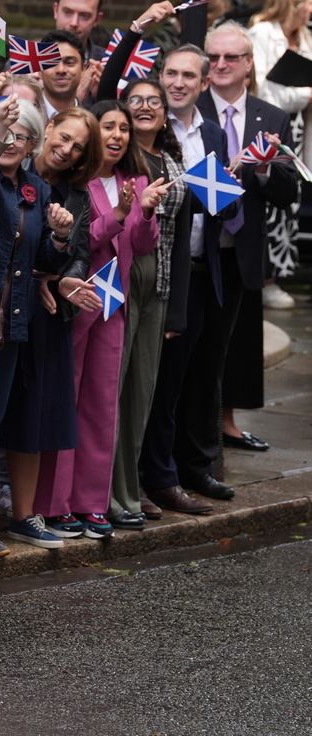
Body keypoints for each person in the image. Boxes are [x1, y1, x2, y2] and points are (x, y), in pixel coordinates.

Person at [40, 101, 164, 540]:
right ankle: (54, 503)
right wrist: (114, 217)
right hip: (77, 298)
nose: (117, 135)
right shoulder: (78, 182)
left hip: (114, 301)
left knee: (101, 403)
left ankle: (91, 501)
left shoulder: (136, 181)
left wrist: (144, 210)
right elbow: (80, 241)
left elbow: (144, 244)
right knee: (65, 400)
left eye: (124, 129)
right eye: (108, 127)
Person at [0, 108, 104, 543]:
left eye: (78, 147)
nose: (66, 149)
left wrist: (57, 278)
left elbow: (75, 250)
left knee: (34, 413)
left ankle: (25, 513)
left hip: (45, 315)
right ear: (48, 130)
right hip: (0, 307)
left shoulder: (74, 195)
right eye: (64, 137)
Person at [197, 23, 298, 477]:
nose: (219, 65)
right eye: (213, 58)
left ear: (247, 63)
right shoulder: (191, 108)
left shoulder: (271, 117)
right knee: (198, 340)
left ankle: (227, 422)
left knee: (236, 340)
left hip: (244, 243)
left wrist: (257, 172)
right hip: (198, 245)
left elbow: (286, 192)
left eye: (229, 58)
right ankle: (196, 430)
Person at [139, 43, 234, 517]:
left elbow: (222, 206)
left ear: (203, 83)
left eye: (188, 76)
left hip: (201, 269)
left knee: (188, 381)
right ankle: (154, 477)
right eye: (171, 74)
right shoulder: (147, 126)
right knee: (151, 384)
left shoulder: (212, 132)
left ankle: (184, 469)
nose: (178, 83)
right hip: (154, 275)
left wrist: (227, 187)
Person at [108, 78, 190, 528]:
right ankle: (106, 492)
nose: (143, 107)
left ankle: (129, 489)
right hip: (123, 279)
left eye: (152, 101)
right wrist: (139, 28)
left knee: (142, 394)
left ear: (164, 113)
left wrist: (176, 306)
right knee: (112, 391)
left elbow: (179, 243)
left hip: (159, 286)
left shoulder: (174, 162)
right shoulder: (121, 158)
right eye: (134, 100)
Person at [249, 0, 312, 310]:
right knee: (268, 201)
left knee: (290, 199)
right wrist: (305, 93)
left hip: (299, 127)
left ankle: (277, 275)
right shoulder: (261, 33)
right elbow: (261, 89)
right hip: (271, 127)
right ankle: (264, 278)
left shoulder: (304, 37)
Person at [38, 30, 86, 118]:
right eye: (52, 63)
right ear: (39, 71)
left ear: (83, 69)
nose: (61, 70)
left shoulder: (92, 123)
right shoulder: (21, 117)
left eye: (69, 62)